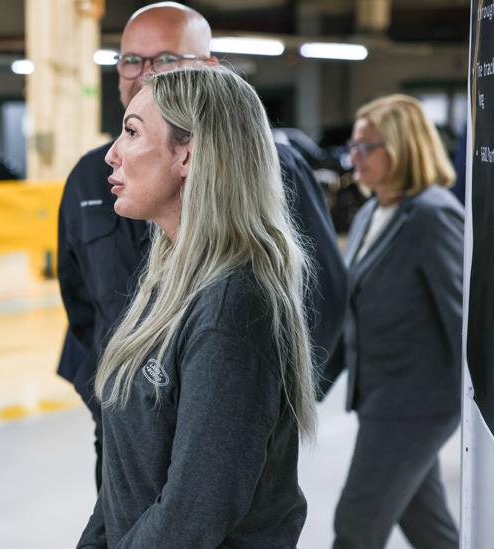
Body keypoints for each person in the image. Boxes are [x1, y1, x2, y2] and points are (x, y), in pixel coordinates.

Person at [57, 1, 346, 489]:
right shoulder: (93, 176)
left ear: (209, 68)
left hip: (225, 428)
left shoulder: (272, 166)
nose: (146, 75)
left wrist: (261, 404)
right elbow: (80, 304)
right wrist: (112, 391)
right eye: (132, 60)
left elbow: (322, 296)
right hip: (124, 425)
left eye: (167, 61)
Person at [77, 64, 316, 548]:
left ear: (186, 154)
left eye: (132, 132)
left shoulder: (233, 304)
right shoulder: (166, 283)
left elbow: (194, 513)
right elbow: (122, 479)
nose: (112, 154)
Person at [320, 94, 462, 549]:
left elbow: (462, 319)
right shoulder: (370, 214)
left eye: (366, 147)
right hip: (379, 397)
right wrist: (309, 388)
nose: (353, 157)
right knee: (428, 526)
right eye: (353, 146)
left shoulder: (433, 216)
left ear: (401, 149)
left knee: (355, 526)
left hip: (417, 406)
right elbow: (351, 311)